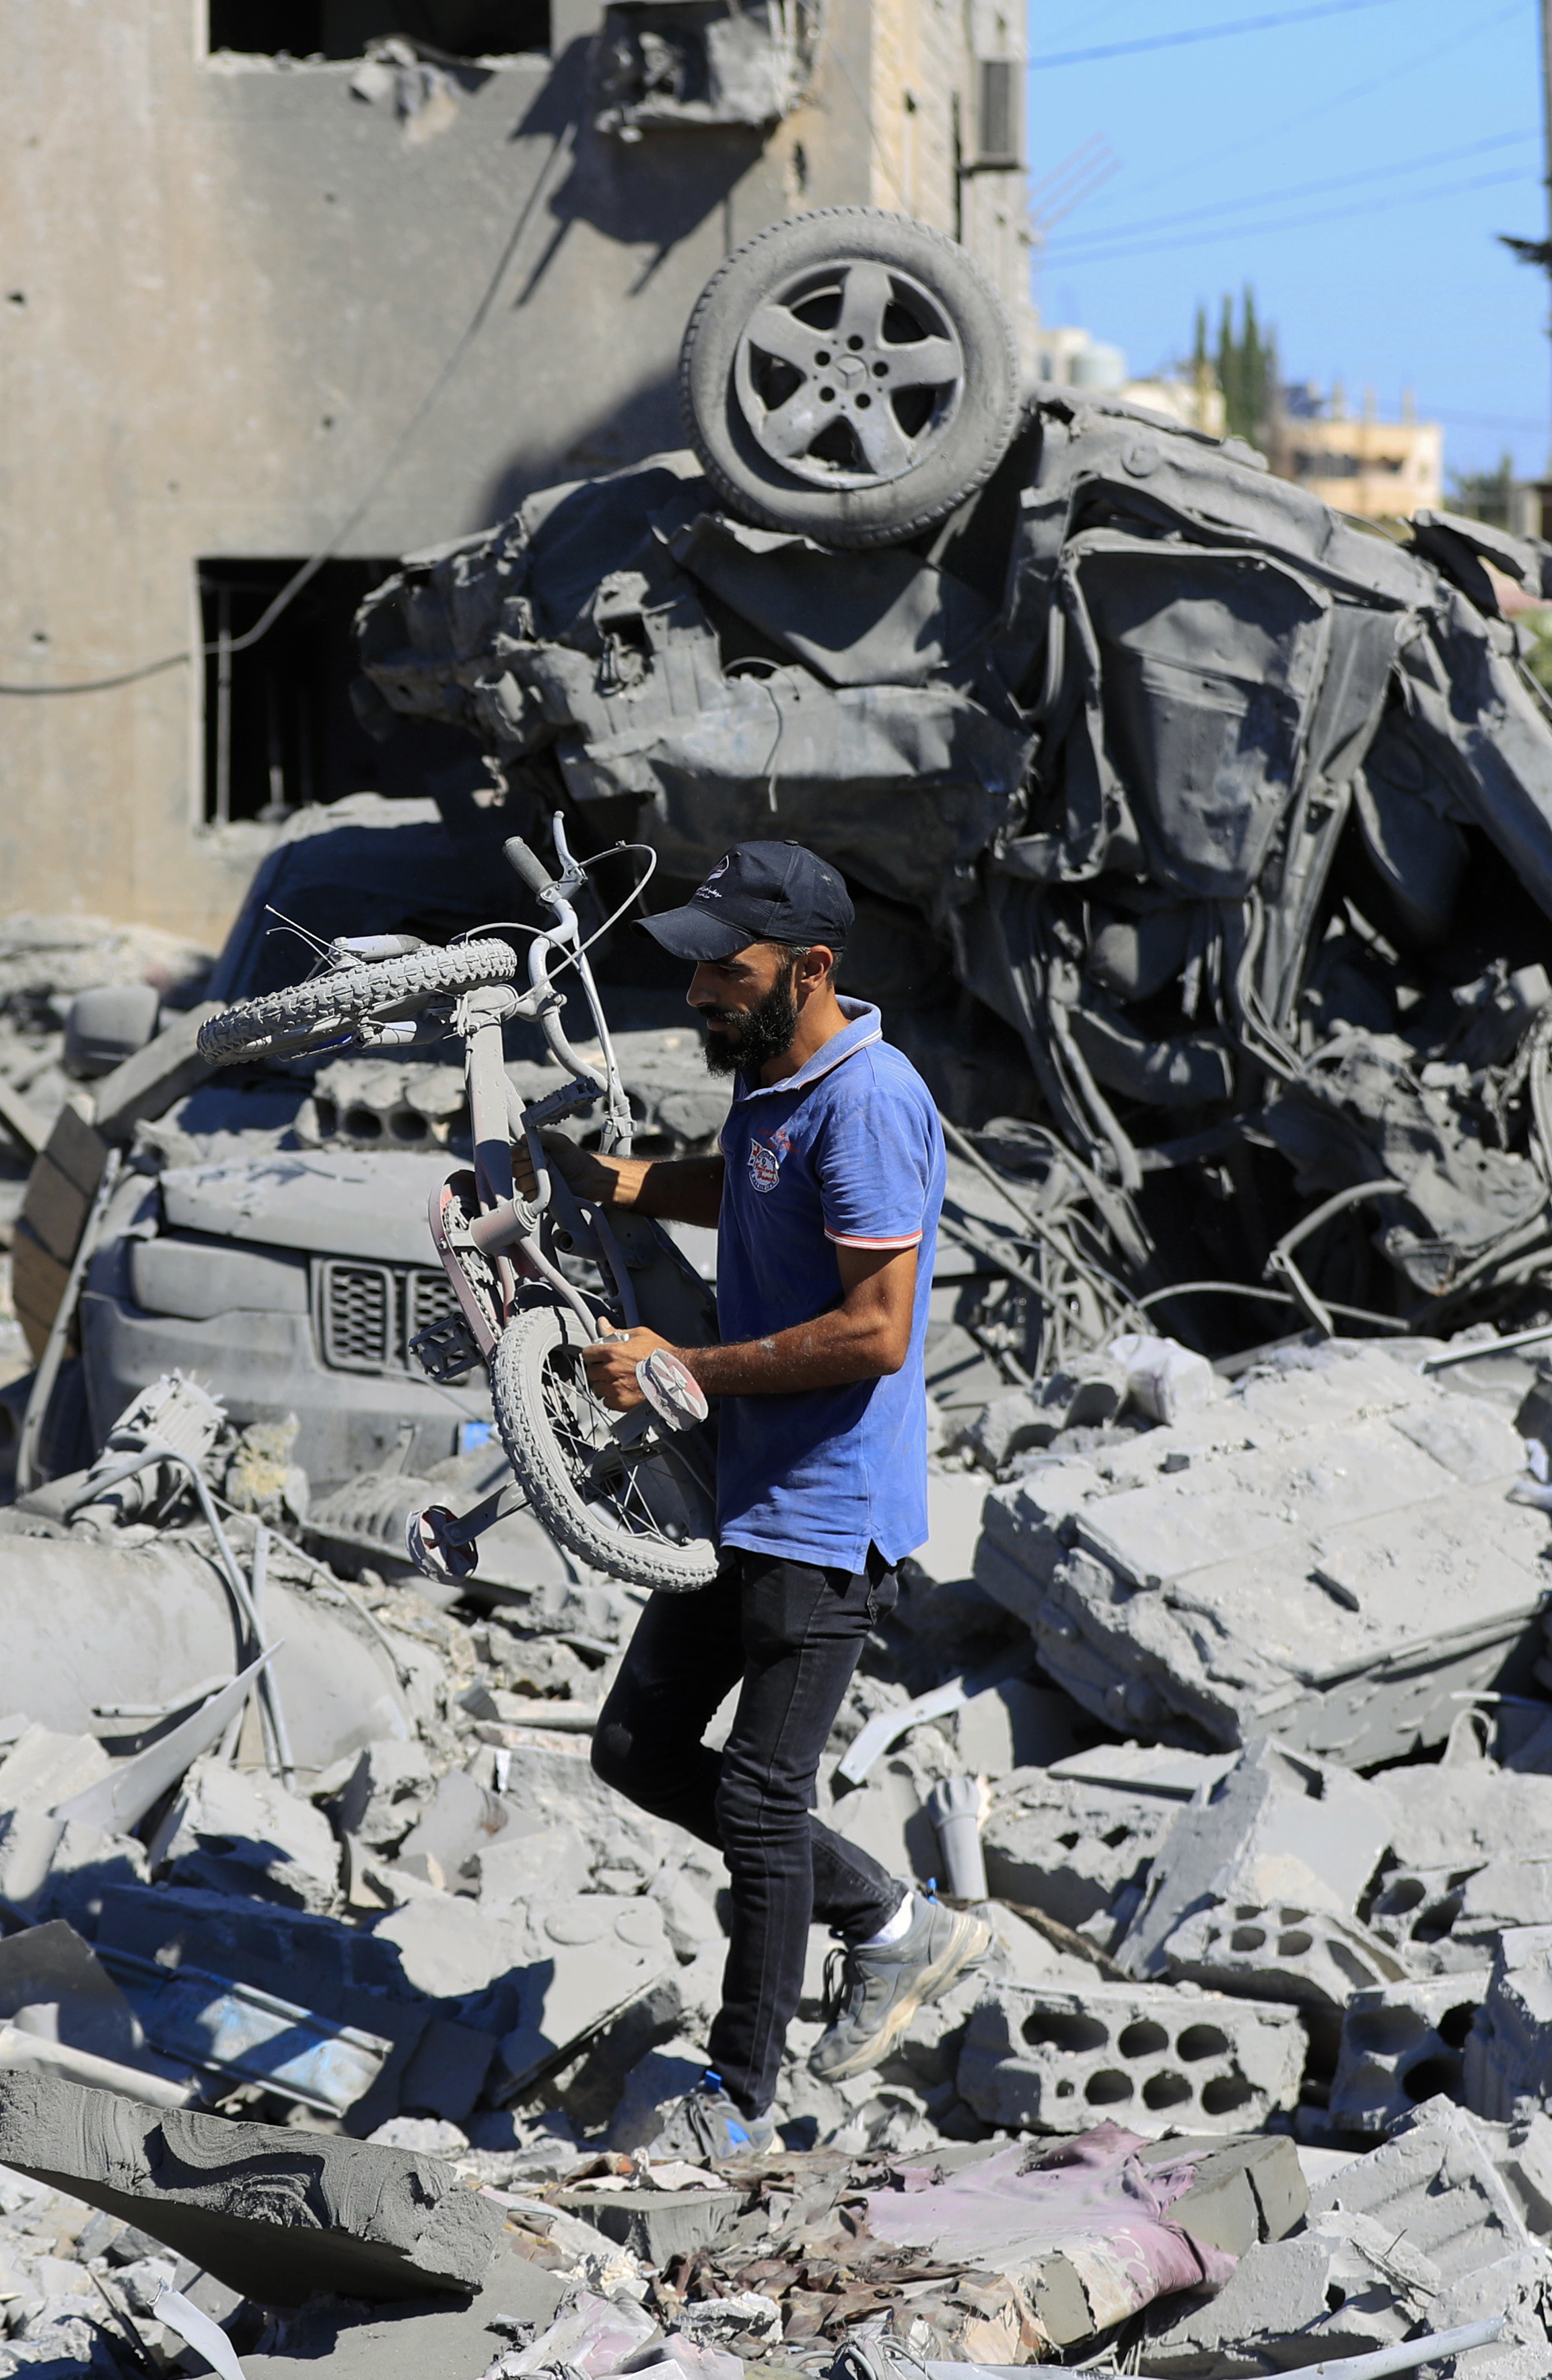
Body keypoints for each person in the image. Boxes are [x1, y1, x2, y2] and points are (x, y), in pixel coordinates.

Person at [538, 839, 990, 2159]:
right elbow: (752, 1196)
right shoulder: (775, 1087)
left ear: (814, 967)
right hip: (744, 1490)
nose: (697, 998)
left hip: (824, 1511)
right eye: (693, 972)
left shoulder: (867, 1102)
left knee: (758, 1797)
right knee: (635, 1750)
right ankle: (900, 1924)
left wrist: (680, 1367)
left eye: (723, 973)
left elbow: (875, 1331)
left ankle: (739, 2099)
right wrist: (628, 1188)